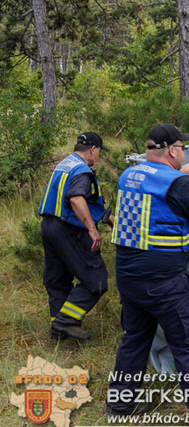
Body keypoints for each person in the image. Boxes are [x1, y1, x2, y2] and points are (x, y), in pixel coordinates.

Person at [106, 124, 189, 427]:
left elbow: (151, 197)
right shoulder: (180, 185)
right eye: (182, 149)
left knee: (135, 340)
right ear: (172, 150)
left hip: (129, 277)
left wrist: (182, 174)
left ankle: (119, 405)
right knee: (187, 344)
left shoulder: (131, 175)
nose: (183, 154)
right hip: (164, 283)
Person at [38, 132, 111, 341]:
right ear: (93, 150)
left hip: (49, 226)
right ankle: (65, 321)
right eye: (98, 152)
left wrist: (109, 219)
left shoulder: (65, 164)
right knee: (96, 282)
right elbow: (77, 198)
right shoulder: (82, 171)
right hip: (69, 229)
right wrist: (92, 229)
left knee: (57, 280)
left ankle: (57, 335)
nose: (98, 157)